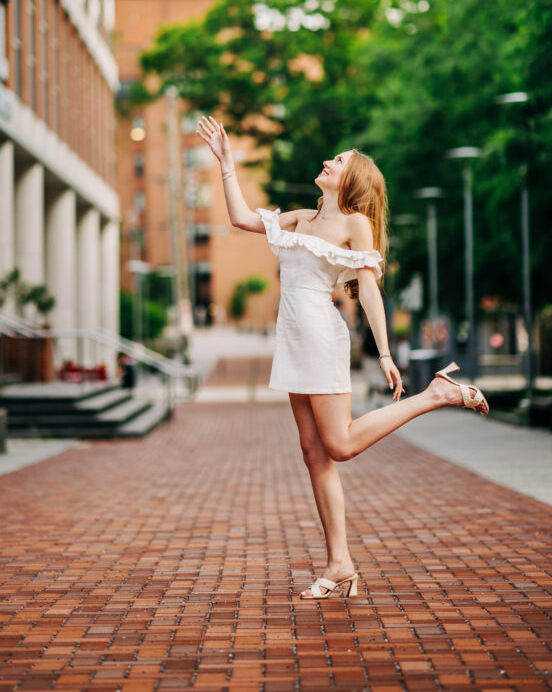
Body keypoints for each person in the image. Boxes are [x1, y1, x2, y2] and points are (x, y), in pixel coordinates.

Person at [197, 116, 489, 600]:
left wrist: (385, 351)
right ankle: (340, 564)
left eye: (340, 161)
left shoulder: (353, 224)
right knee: (314, 453)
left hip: (319, 335)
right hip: (291, 338)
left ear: (352, 180)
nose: (329, 161)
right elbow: (242, 219)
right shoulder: (299, 219)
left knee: (341, 445)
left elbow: (369, 291)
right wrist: (226, 162)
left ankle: (438, 393)